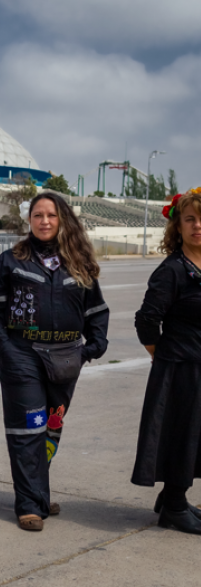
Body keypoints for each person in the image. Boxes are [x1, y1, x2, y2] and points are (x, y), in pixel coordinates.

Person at [0, 192, 109, 531]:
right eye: (38, 215)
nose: (45, 221)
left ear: (62, 219)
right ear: (29, 220)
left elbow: (96, 309)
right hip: (23, 354)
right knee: (28, 427)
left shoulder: (79, 262)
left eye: (51, 215)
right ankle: (28, 504)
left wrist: (91, 349)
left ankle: (38, 491)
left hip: (67, 357)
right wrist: (5, 347)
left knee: (51, 426)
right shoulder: (11, 260)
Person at [132, 188, 201, 535]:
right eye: (190, 219)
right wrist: (163, 358)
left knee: (195, 436)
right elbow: (146, 320)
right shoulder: (172, 270)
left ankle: (175, 496)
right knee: (181, 436)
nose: (198, 226)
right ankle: (173, 507)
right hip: (180, 369)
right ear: (178, 226)